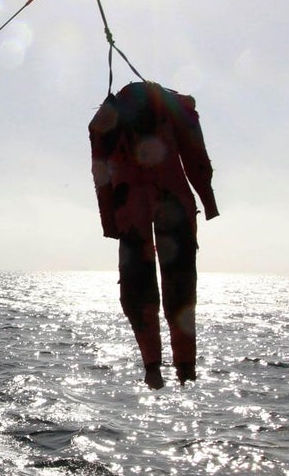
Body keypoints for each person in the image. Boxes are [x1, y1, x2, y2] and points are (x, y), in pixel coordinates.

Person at [88, 81, 219, 389]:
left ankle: (157, 367)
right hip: (166, 204)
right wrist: (207, 199)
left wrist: (110, 221)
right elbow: (196, 156)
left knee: (141, 287)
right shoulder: (173, 108)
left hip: (132, 208)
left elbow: (100, 173)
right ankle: (182, 366)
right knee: (177, 282)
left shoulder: (108, 120)